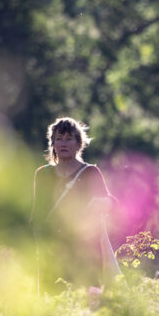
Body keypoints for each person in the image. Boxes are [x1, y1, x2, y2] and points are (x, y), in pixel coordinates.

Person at [31, 117, 120, 288]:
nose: (63, 143)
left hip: (85, 252)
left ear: (79, 143)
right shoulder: (42, 174)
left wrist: (103, 203)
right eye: (59, 139)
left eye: (69, 139)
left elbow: (112, 204)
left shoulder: (90, 172)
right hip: (52, 250)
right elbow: (37, 215)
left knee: (85, 301)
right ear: (53, 143)